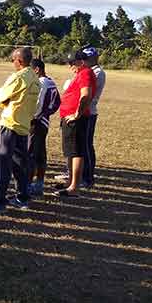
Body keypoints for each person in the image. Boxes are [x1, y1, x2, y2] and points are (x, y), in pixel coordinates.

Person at [0, 48, 41, 213]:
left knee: (2, 163)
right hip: (24, 125)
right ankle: (23, 196)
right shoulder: (35, 78)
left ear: (19, 61)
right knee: (20, 164)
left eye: (13, 60)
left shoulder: (18, 77)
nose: (12, 63)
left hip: (10, 124)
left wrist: (3, 99)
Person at [54, 50, 96, 197]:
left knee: (77, 152)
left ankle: (74, 187)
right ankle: (71, 182)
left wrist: (77, 114)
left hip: (76, 120)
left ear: (82, 62)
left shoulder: (85, 73)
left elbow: (86, 95)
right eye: (69, 63)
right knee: (71, 151)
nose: (70, 66)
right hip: (69, 118)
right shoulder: (80, 74)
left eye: (72, 63)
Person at [27, 59, 61, 196]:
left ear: (36, 70)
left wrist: (34, 117)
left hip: (37, 123)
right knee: (40, 153)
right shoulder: (50, 81)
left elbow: (38, 104)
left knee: (31, 153)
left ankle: (27, 185)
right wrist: (48, 113)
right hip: (44, 122)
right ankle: (39, 183)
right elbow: (57, 102)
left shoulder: (41, 83)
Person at [81, 46, 105, 188]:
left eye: (86, 59)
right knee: (80, 145)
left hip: (89, 111)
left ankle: (88, 177)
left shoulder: (97, 73)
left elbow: (87, 92)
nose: (83, 62)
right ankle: (76, 172)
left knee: (86, 145)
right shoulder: (89, 71)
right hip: (84, 110)